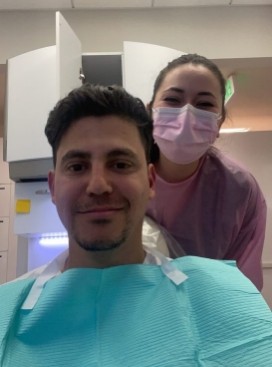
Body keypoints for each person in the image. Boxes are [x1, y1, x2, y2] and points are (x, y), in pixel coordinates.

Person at [0, 84, 271, 367]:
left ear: (150, 182)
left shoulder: (221, 296)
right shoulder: (6, 313)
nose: (98, 186)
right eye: (77, 166)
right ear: (54, 187)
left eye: (120, 164)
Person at [146, 53, 267, 291]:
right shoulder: (123, 178)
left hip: (209, 314)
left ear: (219, 123)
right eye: (172, 99)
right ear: (150, 112)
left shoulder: (239, 188)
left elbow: (244, 286)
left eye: (204, 104)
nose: (187, 115)